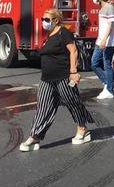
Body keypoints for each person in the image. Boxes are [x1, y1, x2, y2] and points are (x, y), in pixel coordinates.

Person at [19, 8, 93, 152]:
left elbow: (73, 51)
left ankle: (82, 128)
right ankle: (35, 136)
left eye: (46, 19)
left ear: (56, 20)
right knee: (43, 107)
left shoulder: (63, 33)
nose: (43, 22)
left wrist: (73, 71)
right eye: (43, 19)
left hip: (63, 77)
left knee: (73, 102)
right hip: (46, 79)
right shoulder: (49, 35)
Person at [90, 0, 114, 100]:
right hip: (100, 41)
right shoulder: (103, 8)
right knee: (94, 63)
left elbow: (111, 25)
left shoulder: (109, 8)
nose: (93, 0)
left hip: (107, 43)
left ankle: (109, 90)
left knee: (107, 65)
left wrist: (104, 40)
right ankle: (107, 82)